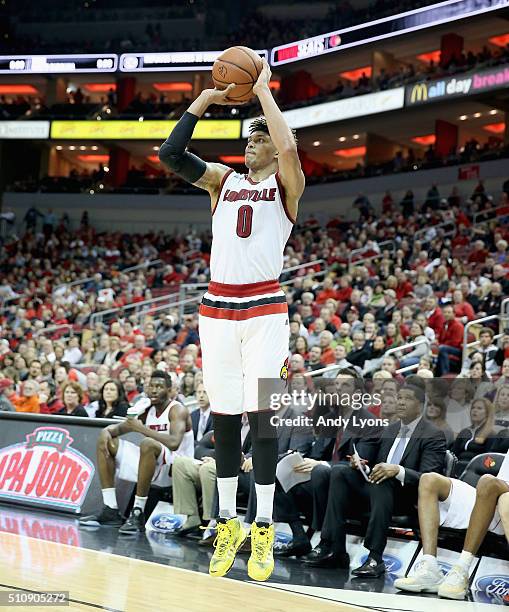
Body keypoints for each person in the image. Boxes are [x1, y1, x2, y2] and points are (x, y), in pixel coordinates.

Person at [158, 58, 304, 581]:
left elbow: (288, 148)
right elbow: (170, 154)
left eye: (257, 137)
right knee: (223, 417)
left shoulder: (288, 183)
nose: (251, 142)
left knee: (261, 417)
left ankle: (261, 526)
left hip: (265, 306)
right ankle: (227, 523)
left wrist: (263, 92)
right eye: (248, 136)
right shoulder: (222, 180)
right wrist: (205, 102)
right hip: (217, 307)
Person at [304, 379, 446, 577]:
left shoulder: (433, 434)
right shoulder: (389, 429)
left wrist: (397, 470)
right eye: (399, 398)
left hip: (406, 496)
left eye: (408, 399)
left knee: (383, 480)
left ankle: (375, 557)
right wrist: (362, 464)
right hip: (377, 487)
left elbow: (429, 477)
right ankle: (334, 547)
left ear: (420, 405)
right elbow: (376, 464)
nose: (401, 402)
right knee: (340, 472)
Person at [79, 371, 194, 533]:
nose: (154, 390)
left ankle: (138, 512)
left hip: (177, 468)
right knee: (105, 440)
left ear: (169, 391)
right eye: (151, 386)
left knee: (147, 443)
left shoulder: (177, 410)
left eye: (159, 387)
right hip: (155, 464)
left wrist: (142, 428)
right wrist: (108, 431)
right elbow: (121, 428)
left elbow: (174, 443)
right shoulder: (147, 409)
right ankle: (111, 508)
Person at [395, 451, 509, 599]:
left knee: (488, 481)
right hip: (498, 495)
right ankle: (429, 568)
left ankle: (462, 569)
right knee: (429, 480)